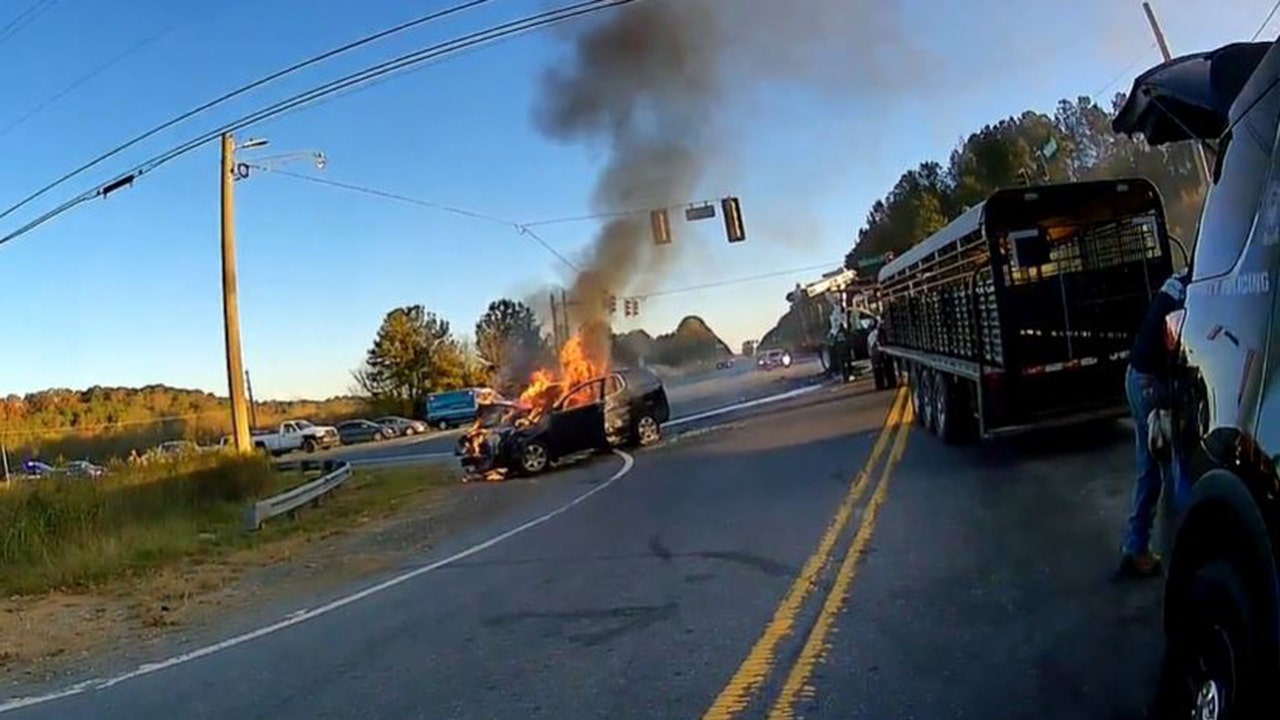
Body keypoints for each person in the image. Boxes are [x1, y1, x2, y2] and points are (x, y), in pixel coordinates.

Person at [1119, 270, 1189, 579]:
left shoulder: (1177, 281)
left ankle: (1136, 549)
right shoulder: (1193, 291)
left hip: (1136, 376)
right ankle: (1181, 554)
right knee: (1173, 469)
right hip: (1152, 384)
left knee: (1150, 469)